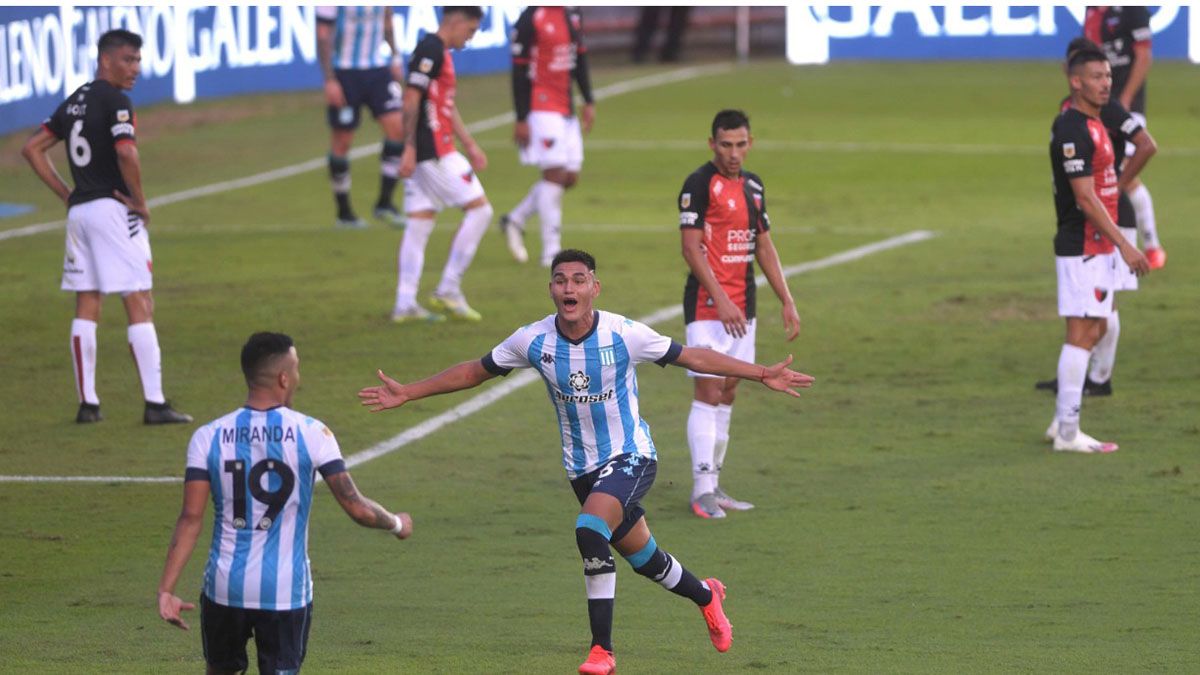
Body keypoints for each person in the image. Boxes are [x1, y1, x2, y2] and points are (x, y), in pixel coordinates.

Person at [359, 249, 814, 674]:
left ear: (596, 287)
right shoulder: (533, 340)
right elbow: (474, 371)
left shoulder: (624, 334)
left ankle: (603, 650)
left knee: (588, 529)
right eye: (560, 280)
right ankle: (707, 596)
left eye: (579, 279)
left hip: (632, 456)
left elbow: (690, 354)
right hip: (582, 470)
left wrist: (760, 373)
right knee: (645, 559)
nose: (569, 287)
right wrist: (409, 391)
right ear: (552, 290)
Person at [157, 332, 413, 674]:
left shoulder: (209, 435)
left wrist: (166, 589)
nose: (298, 378)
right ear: (283, 378)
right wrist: (396, 524)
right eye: (296, 370)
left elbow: (190, 519)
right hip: (284, 591)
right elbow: (357, 508)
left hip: (224, 587)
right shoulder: (312, 432)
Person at [21, 29, 191, 425]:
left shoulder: (75, 100)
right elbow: (127, 152)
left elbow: (31, 149)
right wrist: (141, 201)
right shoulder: (117, 101)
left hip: (80, 213)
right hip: (114, 210)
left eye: (138, 61)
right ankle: (154, 403)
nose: (136, 69)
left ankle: (89, 405)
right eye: (129, 60)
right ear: (106, 60)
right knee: (138, 300)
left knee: (87, 302)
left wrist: (68, 193)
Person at [677, 109, 801, 519]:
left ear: (751, 143)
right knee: (709, 390)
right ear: (712, 143)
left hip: (744, 305)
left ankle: (715, 484)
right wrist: (720, 298)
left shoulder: (753, 185)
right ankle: (700, 490)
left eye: (740, 144)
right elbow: (691, 248)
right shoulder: (698, 184)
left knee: (729, 391)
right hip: (707, 307)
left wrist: (786, 298)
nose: (733, 153)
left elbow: (763, 244)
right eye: (725, 144)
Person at [1036, 37, 1158, 399]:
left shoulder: (1106, 110)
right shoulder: (1073, 115)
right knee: (1093, 311)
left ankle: (1099, 377)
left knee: (1103, 306)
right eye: (1096, 74)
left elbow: (1147, 144)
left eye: (1106, 74)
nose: (1104, 81)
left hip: (1106, 216)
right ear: (1074, 76)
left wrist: (1115, 185)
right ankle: (1082, 379)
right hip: (1090, 216)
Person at [392, 6, 493, 323]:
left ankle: (404, 304)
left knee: (419, 223)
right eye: (471, 31)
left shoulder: (440, 52)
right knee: (480, 210)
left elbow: (445, 107)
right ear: (457, 21)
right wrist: (407, 147)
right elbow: (410, 100)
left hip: (436, 148)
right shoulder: (430, 49)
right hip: (432, 151)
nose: (470, 38)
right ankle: (448, 288)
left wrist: (470, 143)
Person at [498, 6, 596, 267]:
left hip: (566, 107)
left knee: (570, 177)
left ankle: (516, 219)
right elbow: (518, 70)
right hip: (541, 106)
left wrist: (588, 99)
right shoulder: (531, 17)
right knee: (553, 175)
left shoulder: (571, 13)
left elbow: (579, 57)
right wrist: (521, 117)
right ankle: (551, 253)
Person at [1084, 6, 1164, 268]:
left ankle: (1152, 247)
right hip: (1099, 105)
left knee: (1123, 172)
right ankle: (1124, 242)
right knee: (1107, 171)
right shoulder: (1092, 10)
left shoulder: (1133, 9)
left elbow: (1143, 57)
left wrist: (1127, 98)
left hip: (1127, 105)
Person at [316, 6, 407, 229]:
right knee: (342, 141)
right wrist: (329, 80)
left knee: (398, 130)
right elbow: (322, 35)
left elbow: (387, 20)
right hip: (345, 73)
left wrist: (395, 56)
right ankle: (344, 213)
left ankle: (384, 203)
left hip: (377, 70)